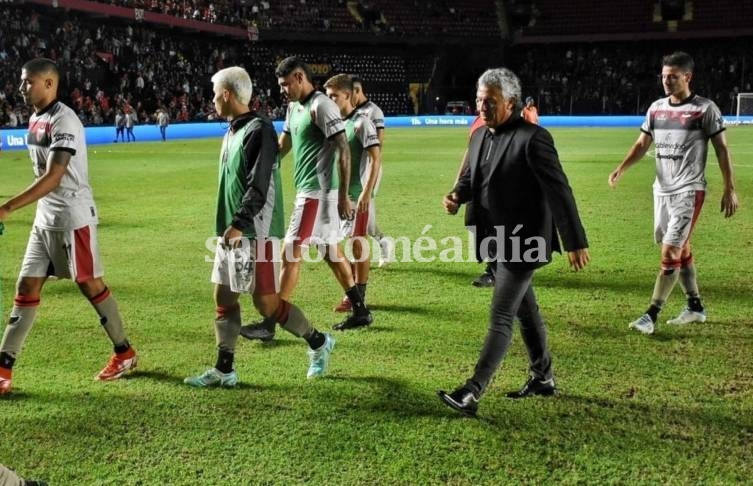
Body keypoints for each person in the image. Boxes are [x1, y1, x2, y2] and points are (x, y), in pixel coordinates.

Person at [438, 67, 590, 416]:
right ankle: (543, 376)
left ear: (510, 102)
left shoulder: (533, 138)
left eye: (488, 102)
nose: (480, 107)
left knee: (501, 314)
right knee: (525, 309)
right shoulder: (478, 136)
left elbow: (559, 190)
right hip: (492, 238)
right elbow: (470, 177)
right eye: (478, 100)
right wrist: (456, 196)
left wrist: (574, 240)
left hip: (524, 242)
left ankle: (472, 391)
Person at [184, 66, 335, 386]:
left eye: (215, 94)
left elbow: (260, 183)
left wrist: (239, 223)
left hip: (256, 232)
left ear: (227, 94)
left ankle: (319, 342)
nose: (212, 100)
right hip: (233, 230)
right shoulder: (233, 129)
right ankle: (225, 369)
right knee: (224, 298)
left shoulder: (259, 129)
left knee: (266, 303)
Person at [0, 58, 137, 395]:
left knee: (90, 285)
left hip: (72, 218)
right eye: (21, 81)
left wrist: (6, 207)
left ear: (49, 84)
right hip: (45, 219)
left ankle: (125, 353)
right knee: (26, 287)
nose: (21, 88)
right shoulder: (35, 118)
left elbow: (54, 175)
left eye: (28, 82)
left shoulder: (65, 120)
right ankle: (3, 370)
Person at [239, 56, 373, 342]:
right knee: (330, 252)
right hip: (308, 191)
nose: (283, 89)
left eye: (286, 84)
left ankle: (270, 323)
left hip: (317, 193)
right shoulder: (293, 108)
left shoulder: (321, 105)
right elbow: (282, 145)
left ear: (300, 77)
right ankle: (360, 310)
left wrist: (342, 196)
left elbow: (343, 149)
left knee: (290, 253)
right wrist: (262, 166)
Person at [608, 51, 739, 335]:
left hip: (689, 191)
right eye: (664, 76)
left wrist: (730, 188)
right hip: (662, 191)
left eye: (673, 77)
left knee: (670, 251)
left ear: (687, 77)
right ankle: (695, 307)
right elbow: (643, 144)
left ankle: (650, 315)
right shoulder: (656, 108)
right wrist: (621, 168)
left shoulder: (705, 109)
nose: (666, 81)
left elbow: (722, 149)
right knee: (683, 249)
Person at [323, 74, 382, 313]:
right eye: (327, 97)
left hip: (356, 195)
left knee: (357, 243)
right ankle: (353, 291)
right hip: (335, 196)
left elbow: (375, 159)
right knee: (329, 245)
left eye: (334, 96)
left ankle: (359, 293)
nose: (330, 101)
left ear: (348, 95)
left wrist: (366, 193)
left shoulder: (361, 122)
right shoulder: (332, 124)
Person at [351, 76, 394, 267]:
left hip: (368, 167)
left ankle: (376, 245)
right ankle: (377, 243)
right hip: (353, 167)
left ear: (357, 91)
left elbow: (379, 143)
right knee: (359, 214)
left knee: (363, 213)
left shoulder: (373, 111)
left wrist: (371, 171)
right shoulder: (352, 111)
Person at [453, 115, 497, 288]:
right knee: (472, 220)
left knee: (494, 225)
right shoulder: (477, 122)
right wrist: (458, 181)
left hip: (493, 183)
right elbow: (470, 151)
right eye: (478, 99)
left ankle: (493, 271)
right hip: (474, 182)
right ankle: (496, 266)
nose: (481, 103)